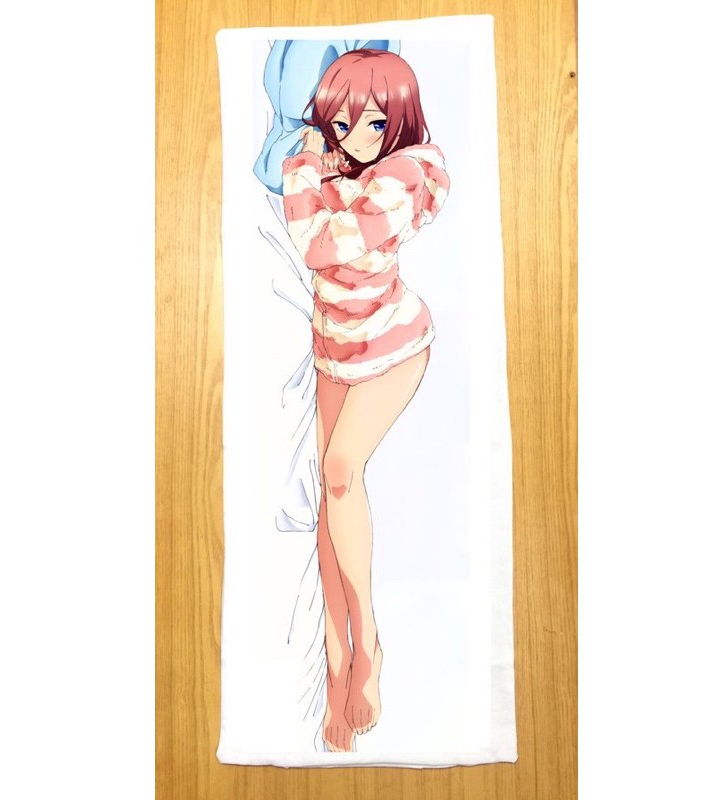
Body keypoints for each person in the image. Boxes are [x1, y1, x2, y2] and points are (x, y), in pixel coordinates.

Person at [281, 48, 450, 752]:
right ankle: (336, 668)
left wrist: (311, 169)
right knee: (330, 505)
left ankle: (370, 645)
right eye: (344, 123)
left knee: (341, 471)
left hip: (393, 346)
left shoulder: (404, 178)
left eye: (376, 123)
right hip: (335, 349)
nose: (357, 138)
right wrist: (319, 171)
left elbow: (319, 244)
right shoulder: (335, 171)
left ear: (400, 123)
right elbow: (316, 228)